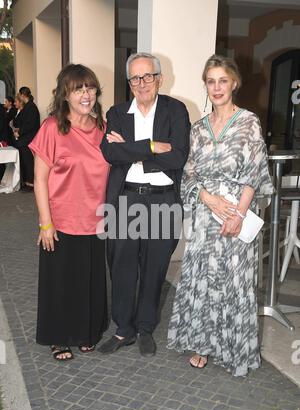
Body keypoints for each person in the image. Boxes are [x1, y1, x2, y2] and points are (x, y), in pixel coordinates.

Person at [167, 54, 274, 377]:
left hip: (236, 212)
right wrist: (207, 198)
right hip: (204, 214)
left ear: (234, 83)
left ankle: (232, 347)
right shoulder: (198, 129)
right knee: (202, 277)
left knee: (233, 281)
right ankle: (202, 343)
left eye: (222, 81)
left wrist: (238, 214)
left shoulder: (248, 122)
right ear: (206, 85)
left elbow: (254, 173)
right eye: (211, 81)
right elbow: (188, 174)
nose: (216, 88)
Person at [99, 52, 190, 357]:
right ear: (129, 83)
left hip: (162, 201)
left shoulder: (175, 110)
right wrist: (152, 147)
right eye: (135, 78)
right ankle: (123, 329)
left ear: (159, 79)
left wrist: (130, 150)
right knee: (121, 267)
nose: (142, 83)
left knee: (155, 268)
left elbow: (178, 156)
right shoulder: (116, 113)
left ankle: (146, 327)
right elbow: (109, 154)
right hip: (125, 199)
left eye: (148, 76)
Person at [28, 64, 110, 361]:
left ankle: (86, 332)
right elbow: (39, 180)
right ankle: (58, 337)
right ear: (65, 95)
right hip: (61, 220)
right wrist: (45, 223)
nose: (85, 94)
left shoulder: (103, 128)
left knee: (88, 282)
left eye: (89, 88)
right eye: (78, 89)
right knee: (60, 283)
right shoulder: (52, 127)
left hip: (95, 220)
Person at [14, 86, 40, 190]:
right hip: (24, 140)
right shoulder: (27, 107)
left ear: (23, 95)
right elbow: (18, 121)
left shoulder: (32, 107)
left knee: (29, 161)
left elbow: (30, 124)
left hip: (29, 139)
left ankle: (31, 183)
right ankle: (26, 182)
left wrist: (19, 132)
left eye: (20, 95)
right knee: (25, 161)